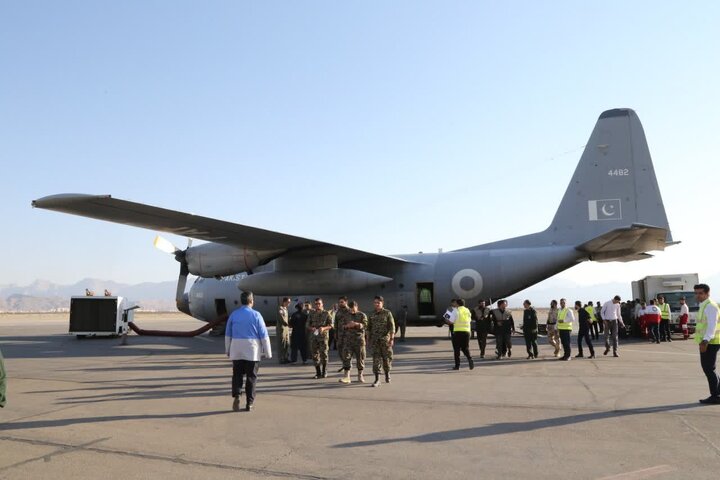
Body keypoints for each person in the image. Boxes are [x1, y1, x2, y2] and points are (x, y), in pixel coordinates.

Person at [225, 291, 272, 412]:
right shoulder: (256, 315)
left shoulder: (234, 315)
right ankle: (249, 403)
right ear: (251, 301)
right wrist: (268, 352)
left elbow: (227, 335)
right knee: (251, 377)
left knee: (237, 375)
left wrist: (228, 350)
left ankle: (236, 395)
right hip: (252, 350)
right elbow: (264, 335)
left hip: (237, 349)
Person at [693, 284, 720, 404]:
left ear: (707, 293)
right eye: (696, 293)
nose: (697, 295)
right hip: (708, 341)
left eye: (700, 293)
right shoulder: (704, 305)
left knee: (709, 369)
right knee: (710, 369)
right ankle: (717, 393)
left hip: (710, 342)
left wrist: (705, 342)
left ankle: (715, 396)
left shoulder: (710, 306)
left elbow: (712, 326)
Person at [367, 295, 395, 387]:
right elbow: (369, 328)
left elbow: (392, 327)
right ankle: (377, 379)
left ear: (382, 303)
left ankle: (387, 374)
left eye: (378, 303)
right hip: (375, 341)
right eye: (375, 303)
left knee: (387, 359)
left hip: (385, 341)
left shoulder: (387, 313)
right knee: (376, 360)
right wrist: (368, 339)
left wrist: (391, 339)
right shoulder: (371, 314)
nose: (376, 304)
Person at [338, 300, 368, 384]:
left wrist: (356, 324)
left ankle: (360, 375)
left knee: (360, 358)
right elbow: (342, 326)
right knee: (346, 357)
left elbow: (365, 326)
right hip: (348, 340)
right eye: (350, 309)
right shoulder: (346, 316)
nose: (352, 310)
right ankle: (347, 377)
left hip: (359, 340)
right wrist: (347, 326)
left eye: (353, 308)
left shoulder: (362, 315)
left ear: (357, 307)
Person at [308, 298, 333, 379]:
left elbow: (331, 325)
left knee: (324, 354)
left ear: (322, 304)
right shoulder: (312, 313)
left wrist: (324, 328)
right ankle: (318, 372)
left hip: (323, 337)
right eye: (316, 304)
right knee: (315, 354)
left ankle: (324, 371)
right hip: (314, 337)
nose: (317, 305)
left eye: (319, 303)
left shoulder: (326, 313)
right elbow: (307, 324)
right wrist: (311, 328)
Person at [446, 299, 474, 370]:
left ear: (457, 304)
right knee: (465, 348)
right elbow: (469, 320)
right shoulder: (467, 310)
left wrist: (447, 318)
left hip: (457, 332)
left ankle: (457, 366)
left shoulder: (455, 310)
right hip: (467, 332)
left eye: (455, 303)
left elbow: (451, 322)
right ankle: (470, 358)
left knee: (456, 349)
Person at [334, 297, 351, 372]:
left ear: (346, 302)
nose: (340, 304)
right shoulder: (338, 311)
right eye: (339, 302)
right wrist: (335, 333)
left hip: (348, 335)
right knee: (340, 351)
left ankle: (347, 366)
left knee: (346, 352)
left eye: (342, 302)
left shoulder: (350, 311)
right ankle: (344, 364)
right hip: (340, 335)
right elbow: (336, 323)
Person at [276, 297, 291, 364]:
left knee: (287, 344)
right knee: (281, 344)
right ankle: (281, 359)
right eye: (288, 302)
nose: (289, 303)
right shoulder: (280, 309)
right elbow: (281, 319)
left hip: (286, 330)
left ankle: (286, 358)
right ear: (284, 302)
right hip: (281, 329)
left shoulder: (285, 309)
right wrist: (288, 324)